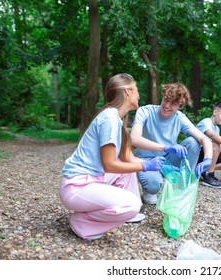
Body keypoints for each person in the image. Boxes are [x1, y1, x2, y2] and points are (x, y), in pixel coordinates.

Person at [59, 74, 166, 241]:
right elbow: (109, 165)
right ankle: (82, 222)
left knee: (127, 169)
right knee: (132, 204)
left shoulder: (117, 119)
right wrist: (145, 166)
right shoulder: (109, 119)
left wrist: (158, 165)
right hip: (76, 187)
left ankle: (125, 214)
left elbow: (129, 159)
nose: (139, 94)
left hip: (91, 180)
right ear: (128, 92)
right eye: (136, 89)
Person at [130, 82, 213, 205]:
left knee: (193, 142)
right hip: (146, 160)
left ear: (180, 106)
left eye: (173, 103)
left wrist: (208, 159)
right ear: (162, 96)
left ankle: (181, 187)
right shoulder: (145, 111)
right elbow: (134, 138)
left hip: (168, 159)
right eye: (166, 100)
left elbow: (204, 139)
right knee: (153, 186)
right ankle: (150, 188)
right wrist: (166, 147)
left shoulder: (180, 118)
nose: (167, 106)